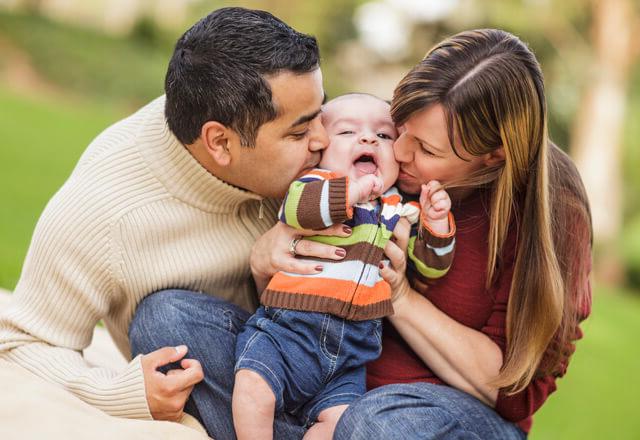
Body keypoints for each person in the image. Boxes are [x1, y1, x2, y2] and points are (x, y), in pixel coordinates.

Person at [130, 28, 591, 440]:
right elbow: (293, 300)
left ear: (492, 157)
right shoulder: (367, 162)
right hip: (315, 380)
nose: (400, 152)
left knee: (376, 422)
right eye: (400, 129)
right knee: (168, 320)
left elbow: (512, 392)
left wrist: (402, 296)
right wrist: (267, 259)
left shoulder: (551, 212)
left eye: (426, 148)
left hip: (424, 418)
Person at [0, 7, 345, 438]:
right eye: (298, 133)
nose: (324, 140)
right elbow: (23, 343)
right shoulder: (106, 209)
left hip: (347, 346)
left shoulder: (334, 145)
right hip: (240, 365)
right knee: (165, 319)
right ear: (220, 142)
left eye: (322, 113)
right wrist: (118, 389)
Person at [231, 93, 456, 439]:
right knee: (252, 387)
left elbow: (429, 268)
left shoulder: (396, 208)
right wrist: (351, 193)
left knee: (342, 425)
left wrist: (436, 226)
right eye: (348, 133)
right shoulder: (313, 184)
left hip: (350, 358)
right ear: (320, 149)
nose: (368, 139)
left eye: (383, 136)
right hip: (287, 332)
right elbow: (299, 211)